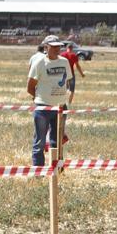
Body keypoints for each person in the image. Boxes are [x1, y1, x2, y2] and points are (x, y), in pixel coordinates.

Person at [27, 35, 72, 166]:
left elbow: (67, 81)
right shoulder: (39, 63)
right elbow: (30, 87)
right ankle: (38, 171)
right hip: (43, 108)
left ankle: (57, 170)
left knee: (57, 140)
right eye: (53, 46)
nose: (57, 49)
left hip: (60, 108)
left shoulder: (64, 62)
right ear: (46, 47)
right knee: (40, 141)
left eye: (58, 46)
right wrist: (40, 99)